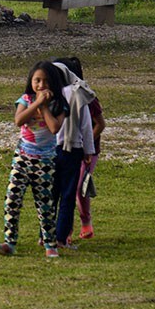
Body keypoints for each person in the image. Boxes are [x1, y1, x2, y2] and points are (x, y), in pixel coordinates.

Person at [0, 61, 66, 259]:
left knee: (45, 204)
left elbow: (54, 128)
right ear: (31, 81)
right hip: (22, 157)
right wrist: (36, 103)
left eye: (45, 81)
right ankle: (9, 242)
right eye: (37, 80)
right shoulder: (25, 99)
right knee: (12, 199)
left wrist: (44, 106)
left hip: (46, 160)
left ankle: (50, 244)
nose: (41, 85)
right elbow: (19, 120)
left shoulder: (60, 103)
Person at [52, 57, 105, 241]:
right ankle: (64, 231)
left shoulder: (85, 96)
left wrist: (86, 148)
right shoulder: (53, 95)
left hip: (83, 150)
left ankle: (84, 222)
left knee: (77, 190)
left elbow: (98, 124)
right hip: (63, 148)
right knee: (61, 191)